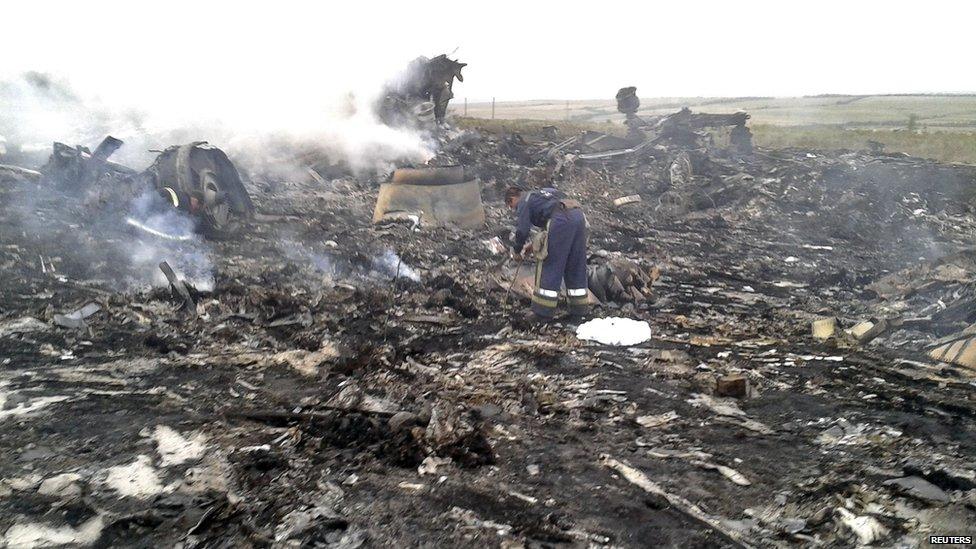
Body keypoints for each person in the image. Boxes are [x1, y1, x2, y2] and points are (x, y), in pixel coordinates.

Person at [504, 186, 589, 320]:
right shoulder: (541, 194)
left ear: (513, 199)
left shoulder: (524, 201)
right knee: (575, 262)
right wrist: (533, 244)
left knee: (550, 262)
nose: (514, 209)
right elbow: (552, 213)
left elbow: (522, 230)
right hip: (578, 216)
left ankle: (542, 312)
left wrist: (516, 250)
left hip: (562, 220)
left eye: (511, 205)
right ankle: (579, 310)